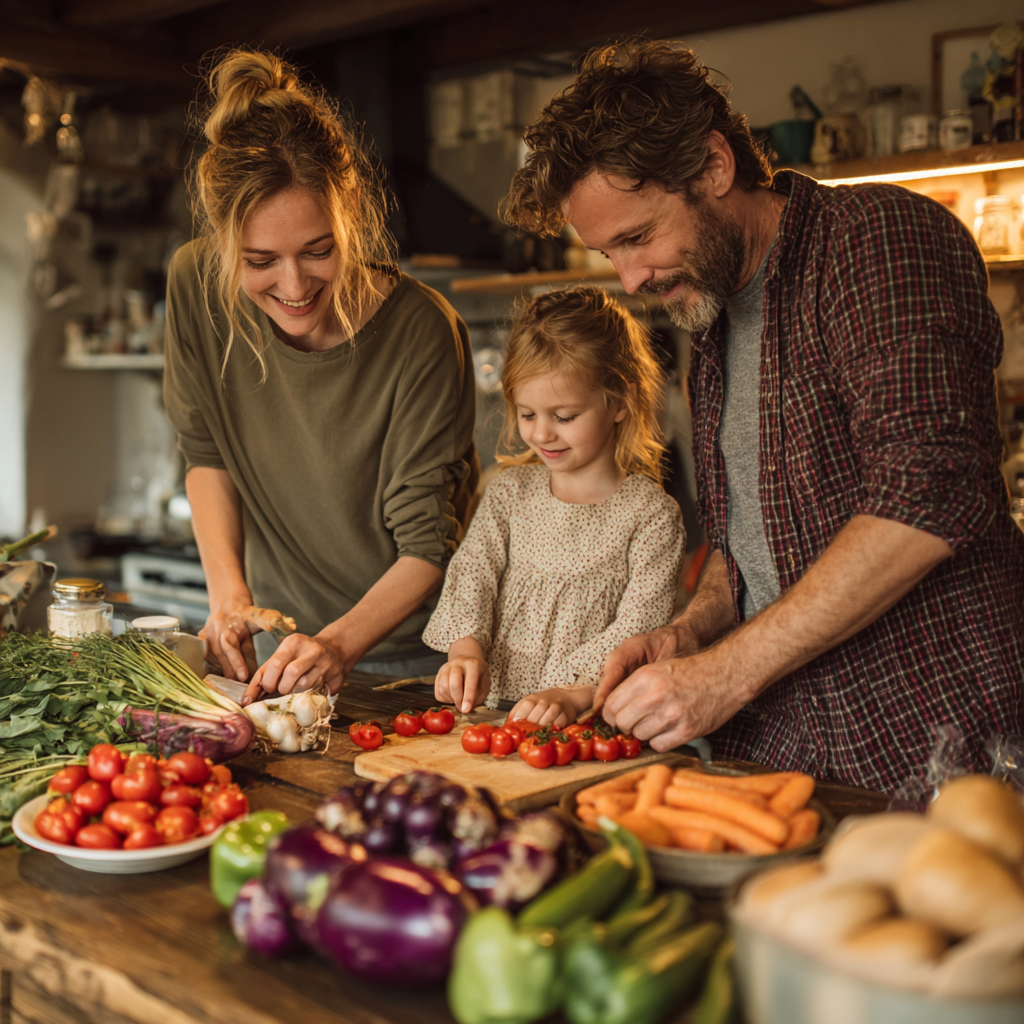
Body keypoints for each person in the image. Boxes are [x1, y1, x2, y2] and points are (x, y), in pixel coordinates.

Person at [501, 39, 1024, 793]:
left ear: (714, 167)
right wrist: (689, 633)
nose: (632, 277)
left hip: (936, 739)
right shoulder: (712, 315)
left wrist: (726, 672)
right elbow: (743, 543)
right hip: (789, 746)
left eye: (638, 237)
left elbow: (929, 494)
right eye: (609, 253)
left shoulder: (875, 239)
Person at [163, 50, 477, 704]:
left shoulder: (421, 331)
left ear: (350, 209)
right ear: (222, 240)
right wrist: (228, 598)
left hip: (421, 665)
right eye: (259, 261)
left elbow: (427, 544)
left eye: (318, 250)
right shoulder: (194, 285)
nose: (295, 285)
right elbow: (207, 453)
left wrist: (338, 646)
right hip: (290, 654)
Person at [425, 287, 684, 719]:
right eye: (527, 414)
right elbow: (473, 573)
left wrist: (571, 693)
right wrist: (465, 650)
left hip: (587, 722)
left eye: (564, 417)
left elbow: (640, 628)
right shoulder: (509, 494)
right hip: (494, 716)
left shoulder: (651, 516)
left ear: (618, 402)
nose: (541, 433)